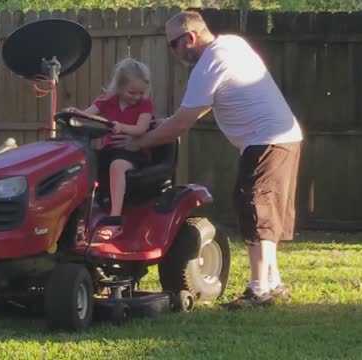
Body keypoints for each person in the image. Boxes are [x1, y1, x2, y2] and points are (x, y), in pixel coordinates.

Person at [110, 11, 303, 309]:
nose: (173, 53)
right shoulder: (231, 45)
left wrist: (139, 142)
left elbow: (182, 123)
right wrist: (156, 126)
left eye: (173, 45)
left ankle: (259, 290)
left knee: (257, 207)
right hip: (276, 137)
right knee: (256, 207)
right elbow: (193, 112)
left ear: (189, 38)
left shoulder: (210, 62)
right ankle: (272, 283)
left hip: (268, 139)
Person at [64, 57, 154, 241]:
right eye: (132, 92)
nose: (137, 97)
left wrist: (122, 127)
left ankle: (114, 221)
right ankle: (77, 214)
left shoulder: (145, 105)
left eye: (141, 93)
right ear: (119, 87)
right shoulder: (107, 100)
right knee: (80, 163)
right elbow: (85, 116)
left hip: (133, 152)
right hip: (109, 149)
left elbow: (141, 128)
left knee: (117, 166)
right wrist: (74, 114)